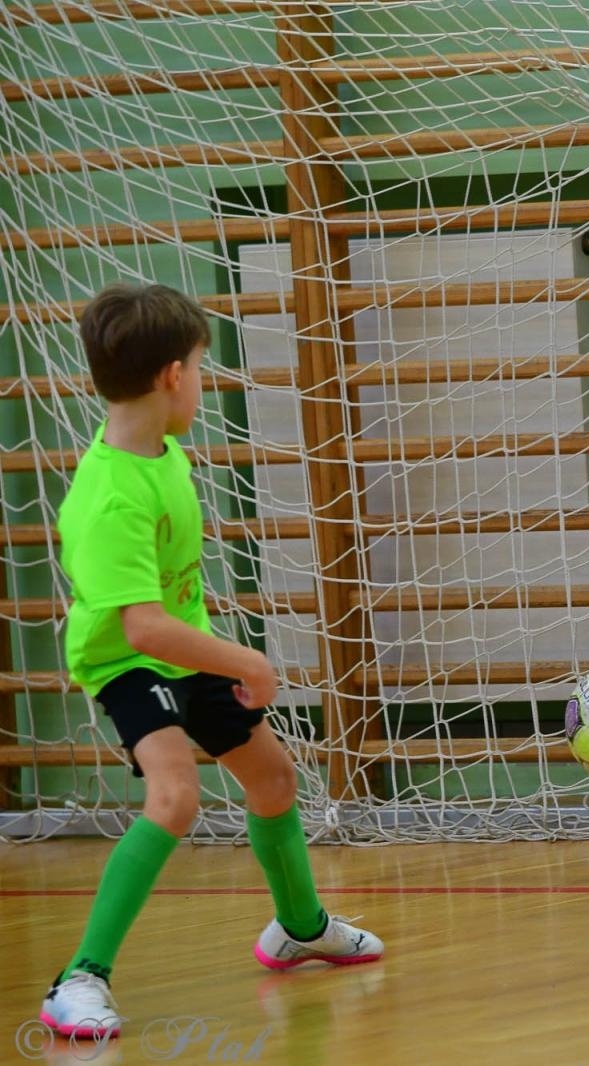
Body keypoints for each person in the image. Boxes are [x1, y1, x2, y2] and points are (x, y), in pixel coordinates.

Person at [39, 284, 383, 1039]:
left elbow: (172, 617)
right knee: (176, 796)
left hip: (182, 649)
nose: (202, 379)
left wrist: (217, 656)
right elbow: (143, 630)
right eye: (199, 366)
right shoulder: (108, 499)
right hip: (129, 662)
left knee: (272, 779)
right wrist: (246, 660)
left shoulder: (162, 452)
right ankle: (79, 978)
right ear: (171, 375)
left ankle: (299, 926)